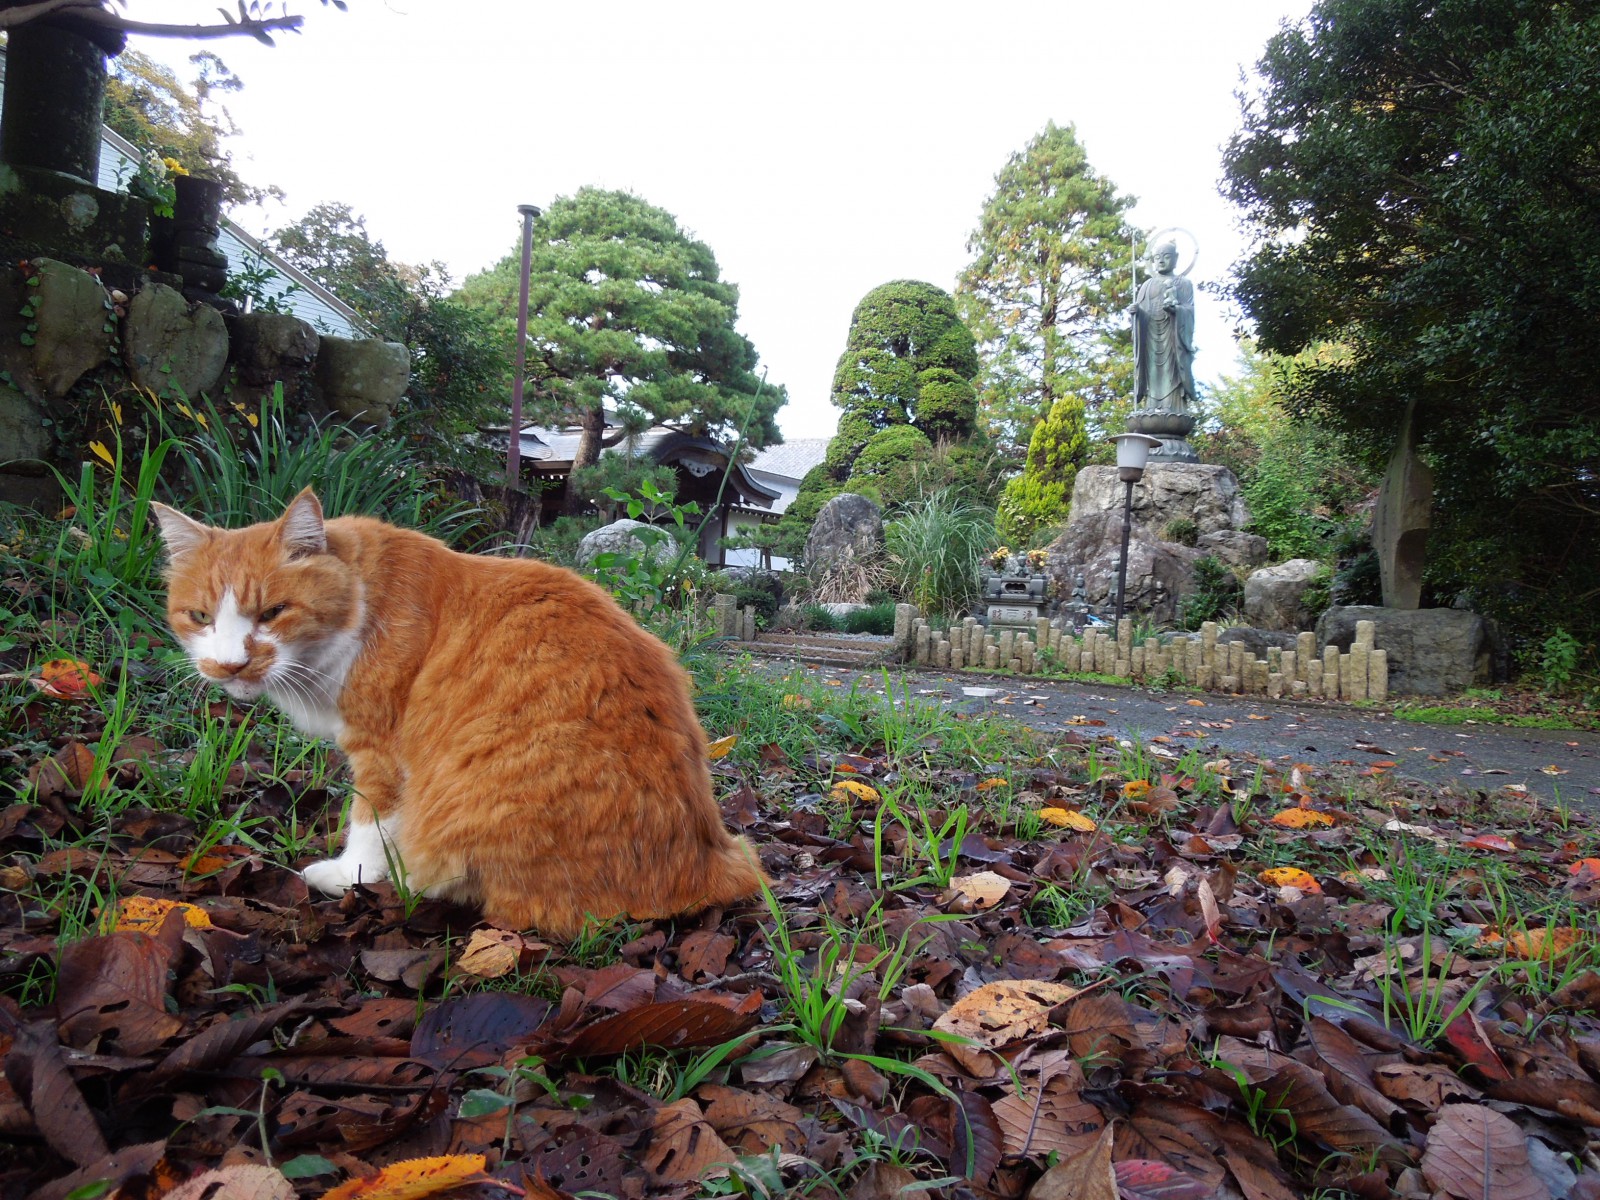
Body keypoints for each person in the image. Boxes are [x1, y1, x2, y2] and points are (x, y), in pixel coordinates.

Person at [1131, 240, 1197, 413]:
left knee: (1173, 372)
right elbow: (1142, 312)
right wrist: (1136, 313)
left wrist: (1177, 311)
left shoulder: (1184, 284)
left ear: (1176, 258)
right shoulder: (1146, 286)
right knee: (1152, 374)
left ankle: (1174, 406)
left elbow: (1189, 312)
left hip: (1173, 336)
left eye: (1166, 257)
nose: (1161, 261)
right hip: (1151, 338)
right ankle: (1152, 407)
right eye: (1157, 257)